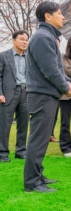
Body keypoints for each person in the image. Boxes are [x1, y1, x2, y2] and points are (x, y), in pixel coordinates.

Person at [24, 1, 71, 193]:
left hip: (46, 95)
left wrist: (66, 81)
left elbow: (57, 67)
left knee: (42, 138)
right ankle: (32, 182)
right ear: (47, 16)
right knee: (38, 139)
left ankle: (38, 175)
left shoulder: (47, 37)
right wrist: (65, 87)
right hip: (42, 95)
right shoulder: (43, 37)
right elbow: (50, 70)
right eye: (60, 13)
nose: (63, 17)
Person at [0, 30, 29, 162]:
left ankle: (21, 151)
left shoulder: (29, 57)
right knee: (4, 124)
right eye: (21, 39)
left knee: (23, 123)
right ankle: (2, 153)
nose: (24, 42)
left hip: (26, 93)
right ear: (13, 40)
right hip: (8, 94)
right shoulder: (3, 56)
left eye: (26, 40)